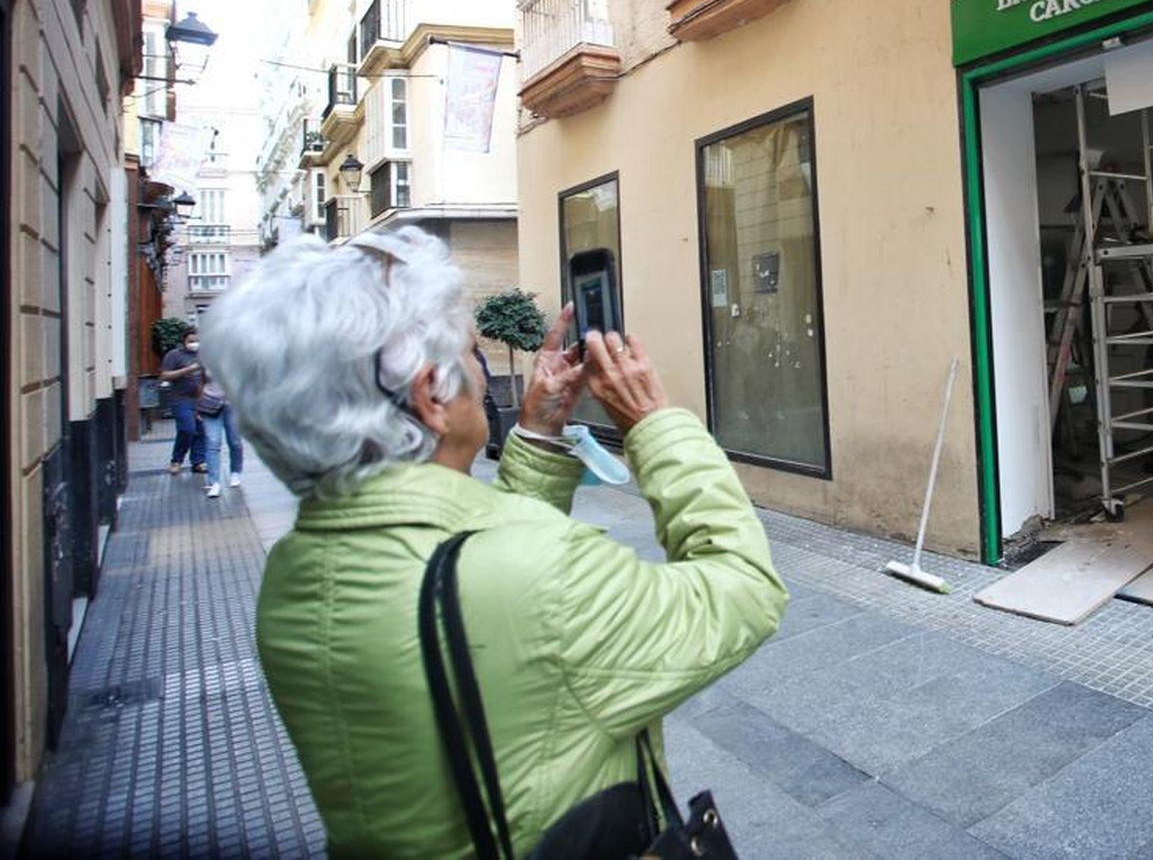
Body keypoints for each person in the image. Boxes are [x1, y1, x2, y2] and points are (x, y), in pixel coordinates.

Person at [199, 227, 787, 856]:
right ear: (430, 395)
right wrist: (654, 425)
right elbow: (743, 587)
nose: (480, 377)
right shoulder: (535, 573)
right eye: (468, 355)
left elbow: (463, 584)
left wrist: (533, 434)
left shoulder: (298, 571)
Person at [158, 327, 207, 476]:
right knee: (187, 429)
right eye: (191, 341)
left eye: (197, 341)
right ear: (184, 341)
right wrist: (188, 370)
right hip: (181, 400)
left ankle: (198, 461)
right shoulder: (174, 355)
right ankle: (176, 460)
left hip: (201, 399)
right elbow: (164, 376)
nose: (194, 344)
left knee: (201, 430)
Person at [197, 369, 244, 499]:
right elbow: (200, 381)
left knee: (235, 441)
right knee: (212, 442)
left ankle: (235, 471)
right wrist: (198, 406)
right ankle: (214, 483)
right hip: (210, 403)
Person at [473, 343, 505, 460]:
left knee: (493, 417)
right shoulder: (475, 356)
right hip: (480, 392)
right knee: (492, 417)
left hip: (483, 392)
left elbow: (484, 373)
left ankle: (493, 445)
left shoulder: (476, 356)